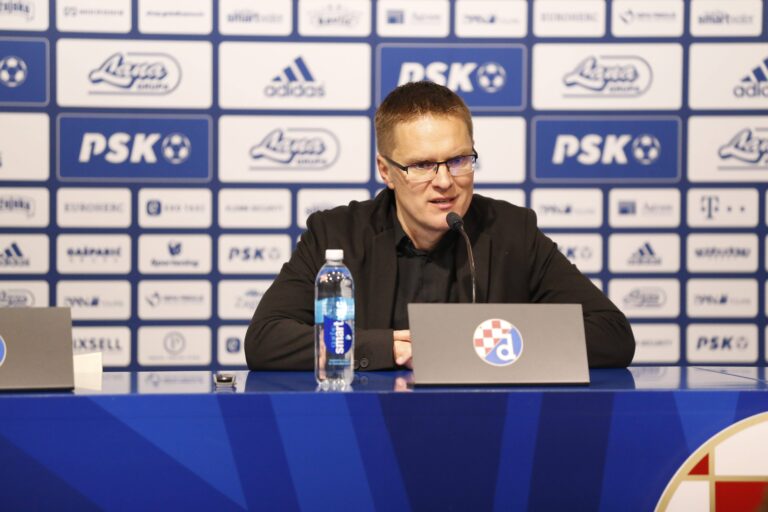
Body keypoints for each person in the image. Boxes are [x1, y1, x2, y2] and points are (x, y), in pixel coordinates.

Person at [245, 81, 635, 371]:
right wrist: (384, 348)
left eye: (459, 160)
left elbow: (612, 335)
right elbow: (265, 340)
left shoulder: (513, 232)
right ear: (386, 171)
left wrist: (484, 347)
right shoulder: (336, 234)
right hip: (367, 428)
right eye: (422, 165)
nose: (445, 181)